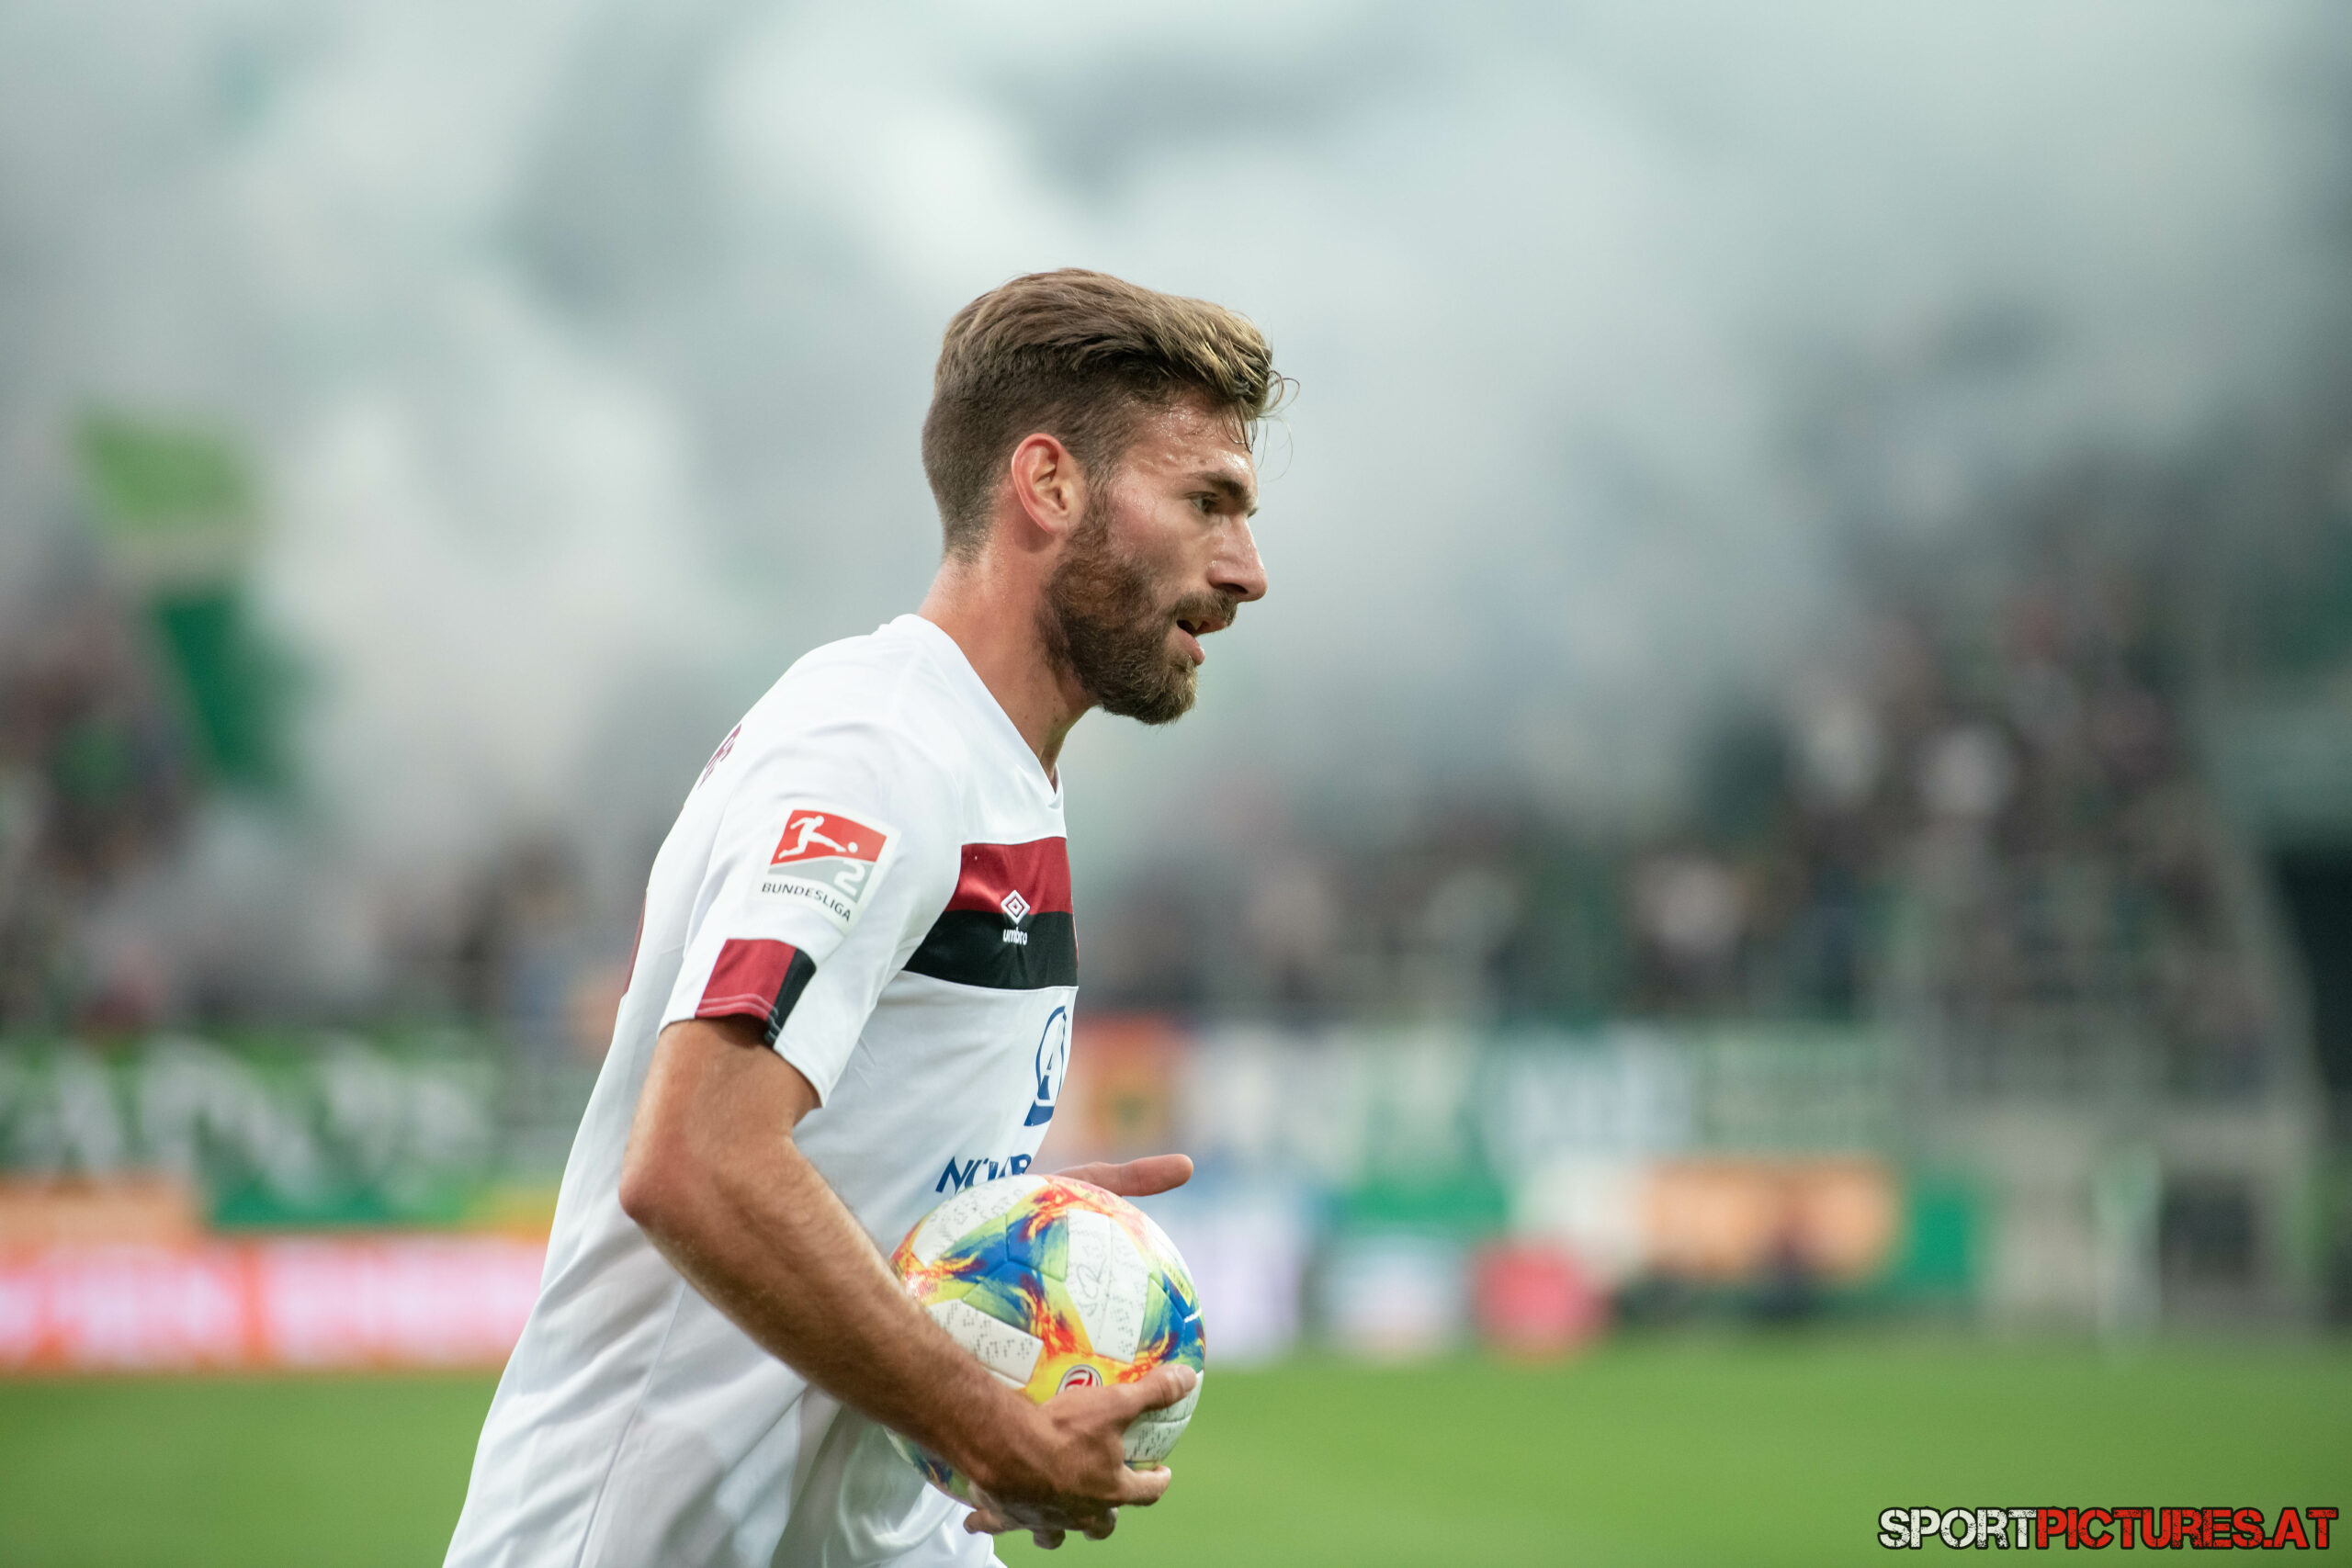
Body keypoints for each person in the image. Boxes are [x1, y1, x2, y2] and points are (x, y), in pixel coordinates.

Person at [443, 269, 1279, 1567]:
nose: (1247, 571)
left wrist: (987, 1204)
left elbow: (822, 1143)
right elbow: (696, 1159)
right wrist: (990, 1428)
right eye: (1207, 503)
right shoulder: (874, 755)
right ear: (1049, 486)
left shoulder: (993, 764)